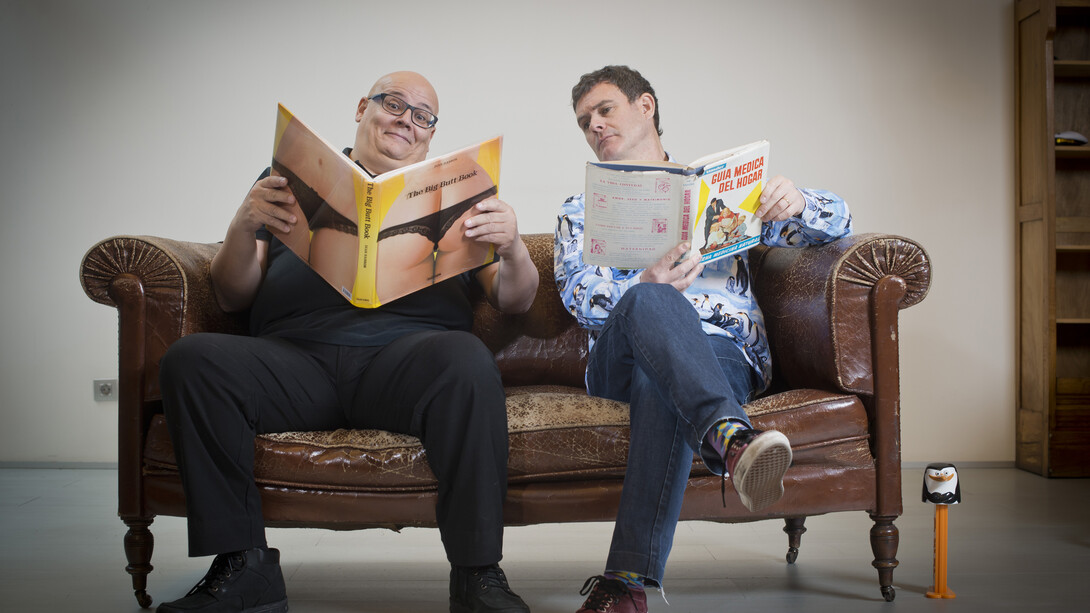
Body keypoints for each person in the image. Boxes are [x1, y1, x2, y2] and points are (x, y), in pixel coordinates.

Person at [157, 71, 538, 613]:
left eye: (422, 116)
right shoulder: (289, 178)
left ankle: (478, 576)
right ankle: (243, 570)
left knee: (467, 358)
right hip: (295, 361)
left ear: (431, 133)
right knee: (192, 360)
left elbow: (515, 300)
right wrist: (243, 226)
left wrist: (515, 247)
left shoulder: (460, 196)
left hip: (406, 364)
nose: (407, 120)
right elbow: (230, 294)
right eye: (394, 104)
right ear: (363, 107)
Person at [554, 65, 853, 613]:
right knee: (650, 299)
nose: (594, 125)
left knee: (662, 384)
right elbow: (578, 295)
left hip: (719, 350)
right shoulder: (581, 210)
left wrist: (797, 201)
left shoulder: (723, 192)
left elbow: (837, 225)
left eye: (604, 110)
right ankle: (730, 436)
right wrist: (644, 284)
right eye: (583, 121)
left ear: (645, 106)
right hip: (621, 354)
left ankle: (626, 585)